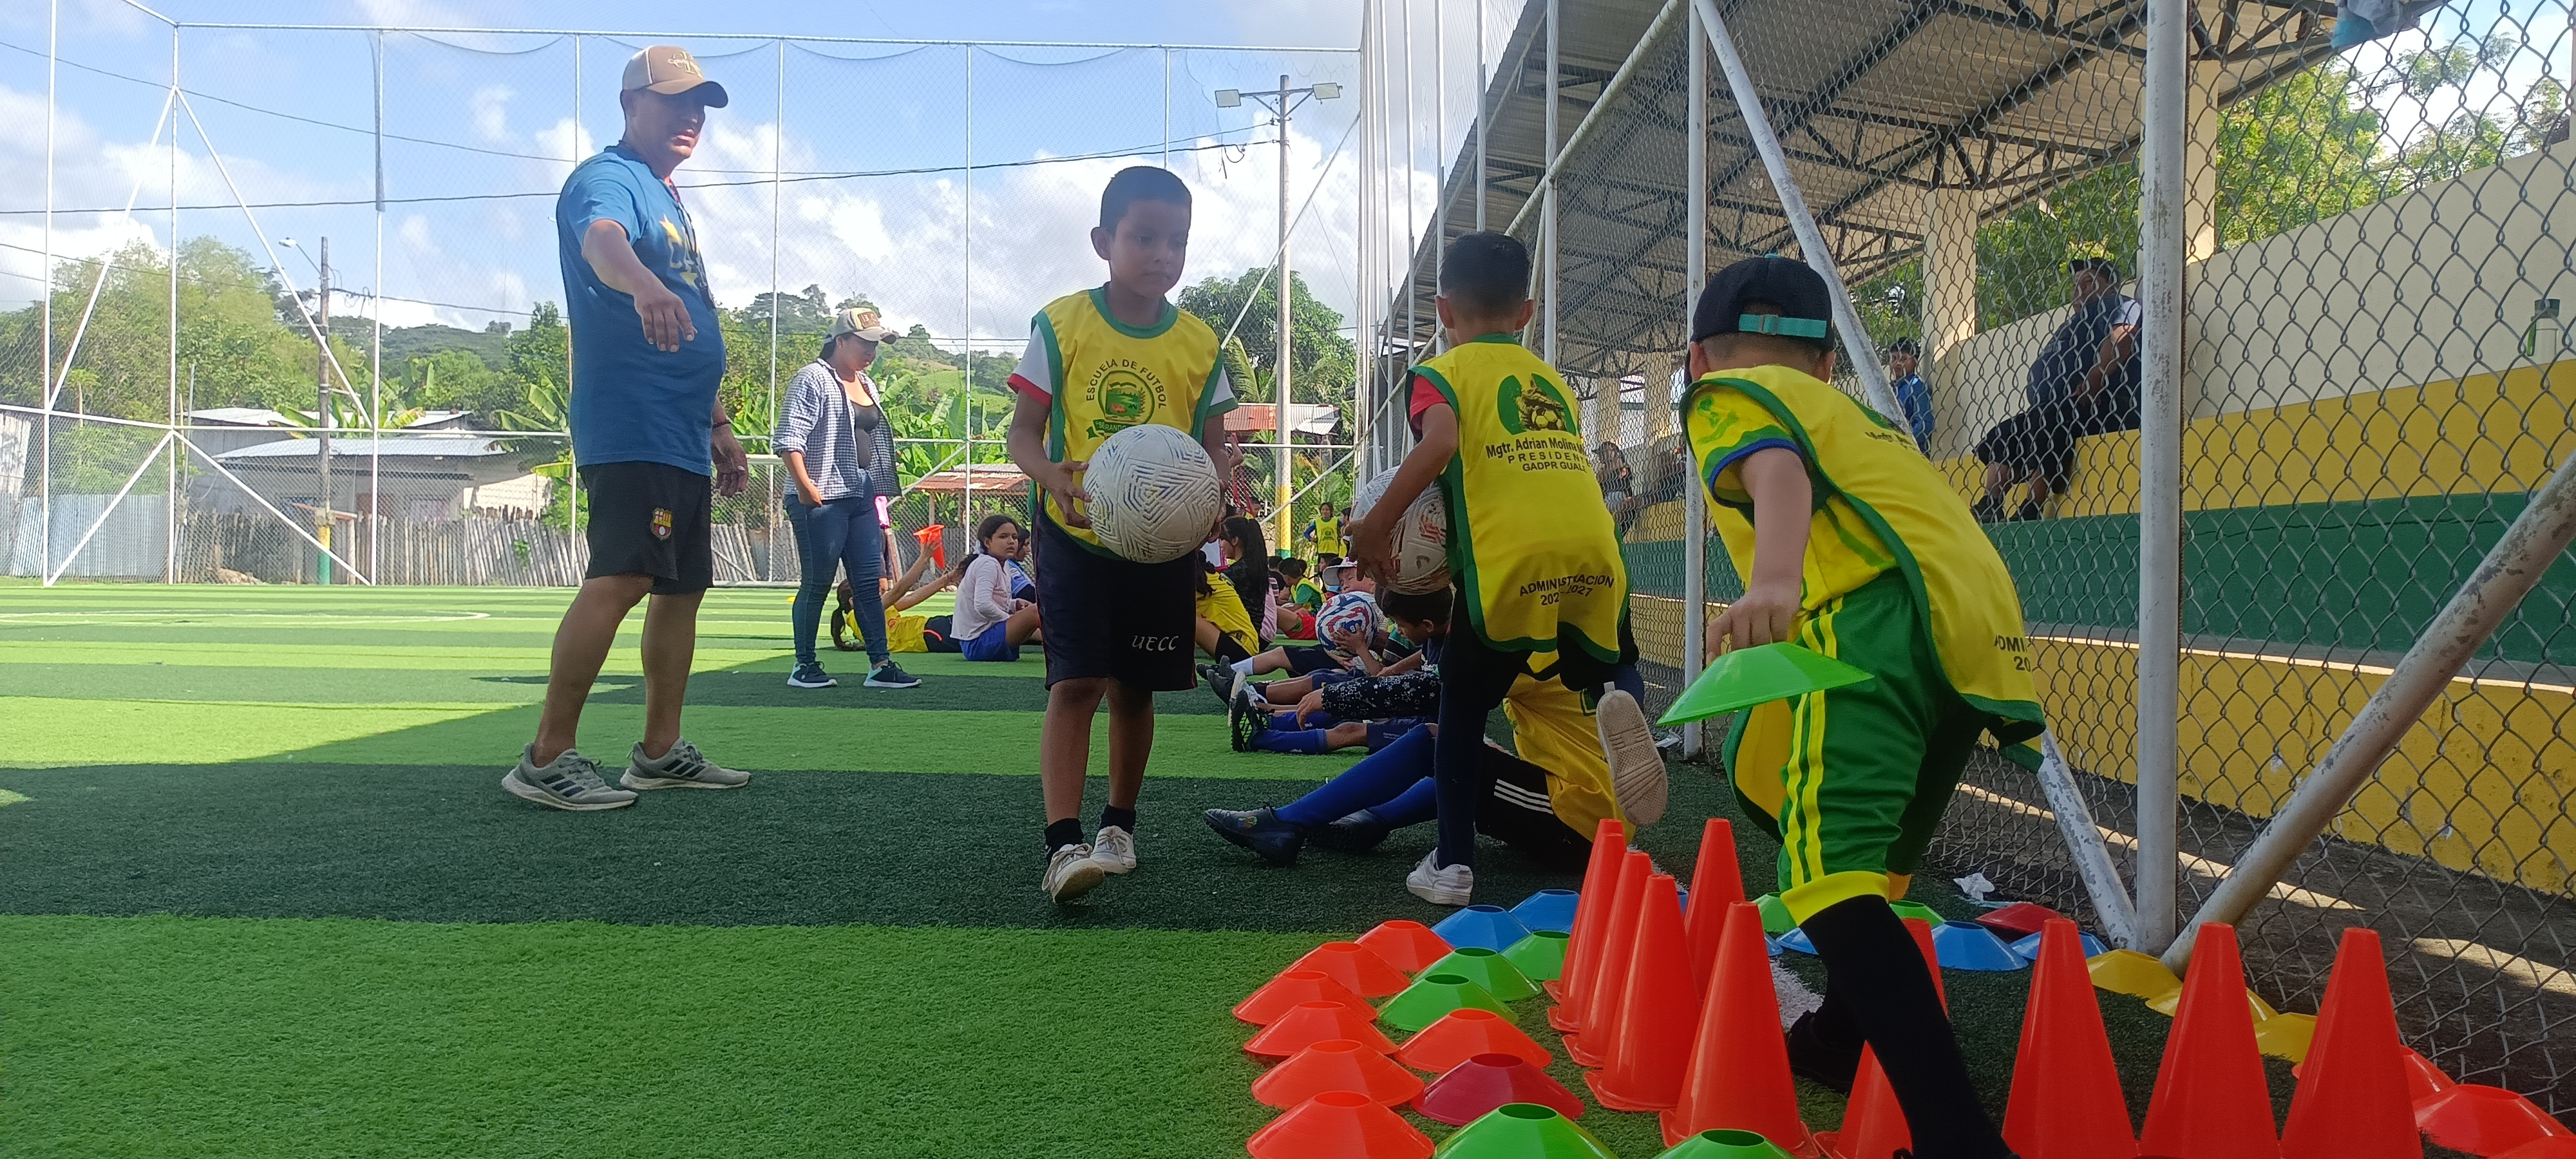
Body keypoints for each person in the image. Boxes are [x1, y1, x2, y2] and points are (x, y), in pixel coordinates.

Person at [1680, 255, 2045, 1159]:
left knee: (1828, 874)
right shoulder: (1862, 420)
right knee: (1873, 863)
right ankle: (1838, 1039)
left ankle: (1960, 1141)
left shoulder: (1729, 395)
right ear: (1827, 363)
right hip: (1975, 628)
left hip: (1872, 617)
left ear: (1696, 360)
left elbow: (1776, 472)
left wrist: (1775, 579)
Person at [1348, 231, 1662, 906]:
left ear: (1442, 311)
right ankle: (1624, 703)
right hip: (1595, 543)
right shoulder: (1550, 379)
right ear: (1526, 313)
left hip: (1509, 558)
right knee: (1614, 659)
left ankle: (1453, 866)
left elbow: (1441, 444)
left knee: (1462, 708)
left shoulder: (1441, 375)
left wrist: (1378, 524)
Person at [504, 45, 750, 811]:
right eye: (673, 100)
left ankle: (659, 751)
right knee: (623, 576)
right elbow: (603, 242)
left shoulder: (668, 195)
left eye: (700, 105)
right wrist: (642, 284)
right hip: (631, 420)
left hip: (680, 427)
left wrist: (716, 421)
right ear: (629, 103)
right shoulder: (608, 178)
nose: (691, 116)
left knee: (681, 588)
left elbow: (690, 314)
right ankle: (547, 756)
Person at [1004, 165, 1240, 903]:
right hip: (1076, 538)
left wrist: (1214, 496)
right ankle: (1062, 844)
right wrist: (1052, 477)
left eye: (1177, 240)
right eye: (1144, 237)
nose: (1162, 254)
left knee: (1135, 690)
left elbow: (1216, 448)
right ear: (1104, 240)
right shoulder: (1060, 325)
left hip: (1161, 546)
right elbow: (1022, 435)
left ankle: (1118, 826)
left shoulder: (1200, 343)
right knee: (1076, 682)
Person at [1206, 652, 1623, 872]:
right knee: (1461, 750)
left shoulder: (1532, 649)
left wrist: (1335, 696)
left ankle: (1288, 823)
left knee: (1434, 743)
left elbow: (1436, 688)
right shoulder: (1573, 642)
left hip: (1578, 824)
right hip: (1581, 805)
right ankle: (1370, 820)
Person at [776, 307, 921, 691]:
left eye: (877, 344)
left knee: (869, 583)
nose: (871, 351)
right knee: (818, 582)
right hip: (821, 497)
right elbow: (789, 438)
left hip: (861, 494)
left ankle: (880, 665)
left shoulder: (867, 383)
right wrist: (805, 486)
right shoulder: (812, 378)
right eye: (864, 343)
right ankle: (804, 665)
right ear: (839, 341)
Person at [1969, 256, 2141, 521]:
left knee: (2049, 423)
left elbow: (2121, 337)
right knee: (2006, 432)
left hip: (2098, 405)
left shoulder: (2119, 304)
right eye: (2075, 284)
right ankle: (1991, 502)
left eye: (2089, 282)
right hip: (2054, 407)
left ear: (2112, 285)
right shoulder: (2072, 322)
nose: (2079, 290)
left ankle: (2033, 505)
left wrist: (2096, 376)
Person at [1230, 587, 1448, 755]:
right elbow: (1421, 657)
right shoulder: (1432, 637)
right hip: (1414, 709)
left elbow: (1413, 690)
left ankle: (1261, 737)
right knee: (1327, 691)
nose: (1398, 630)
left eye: (1400, 625)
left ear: (1427, 624)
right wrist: (1394, 669)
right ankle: (1265, 715)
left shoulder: (1449, 649)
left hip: (1433, 725)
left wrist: (1361, 651)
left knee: (1350, 730)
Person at [951, 514, 1042, 662]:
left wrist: (1014, 604)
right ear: (988, 542)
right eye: (1003, 537)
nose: (1011, 541)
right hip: (978, 644)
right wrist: (1009, 619)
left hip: (981, 640)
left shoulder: (1002, 564)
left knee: (1036, 611)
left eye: (1014, 537)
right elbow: (982, 604)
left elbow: (991, 600)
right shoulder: (988, 564)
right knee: (1036, 611)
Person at [1217, 514, 1273, 645]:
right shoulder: (1256, 567)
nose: (1220, 545)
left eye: (1222, 539)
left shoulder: (1235, 573)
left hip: (1240, 639)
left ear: (1235, 540)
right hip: (1254, 636)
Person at [1195, 563, 1260, 664]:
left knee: (1185, 617)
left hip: (1241, 647)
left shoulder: (1201, 581)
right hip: (1248, 644)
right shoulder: (1207, 577)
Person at [1888, 336, 1935, 448]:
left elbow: (1925, 423)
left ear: (1915, 362)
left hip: (1908, 448)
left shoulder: (1916, 387)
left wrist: (1905, 441)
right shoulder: (1889, 388)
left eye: (1904, 359)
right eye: (1894, 358)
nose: (1898, 363)